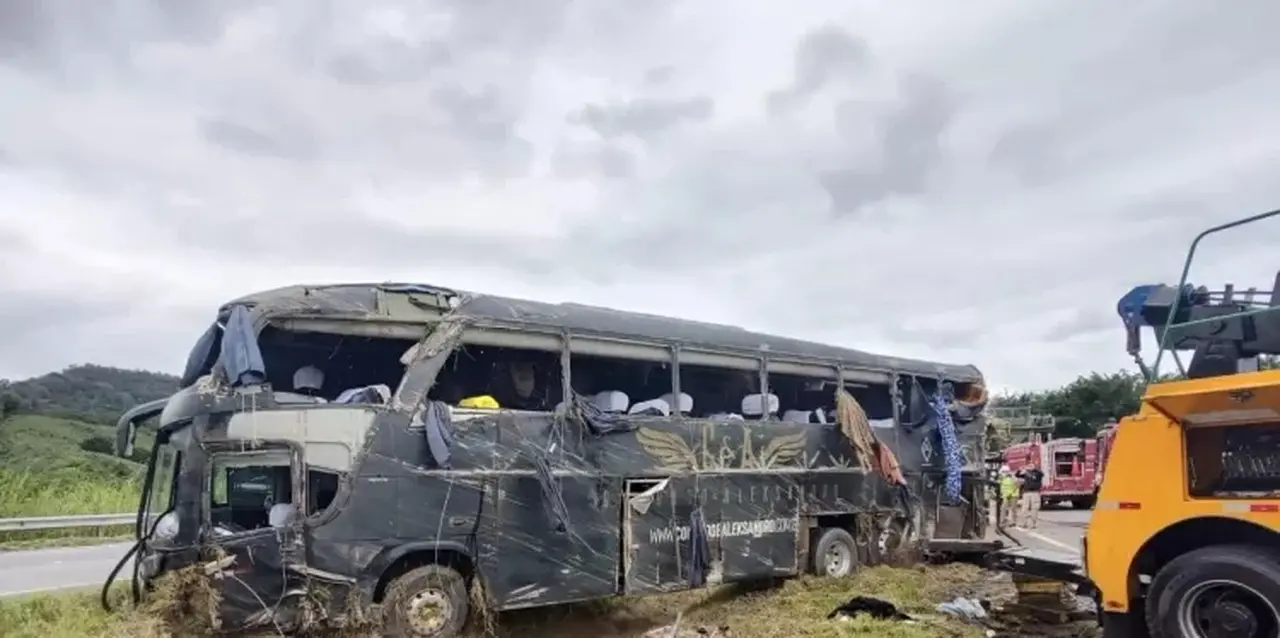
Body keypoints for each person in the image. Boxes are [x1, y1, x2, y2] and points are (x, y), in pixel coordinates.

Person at [1016, 461, 1045, 529]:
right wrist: (1020, 470)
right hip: (1026, 492)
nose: (1030, 467)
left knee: (1034, 508)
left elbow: (1041, 474)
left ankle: (1033, 524)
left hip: (1034, 492)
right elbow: (1017, 475)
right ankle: (1024, 523)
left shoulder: (1037, 473)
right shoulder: (1026, 473)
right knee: (1024, 508)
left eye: (1031, 466)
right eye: (1029, 466)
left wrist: (1033, 470)